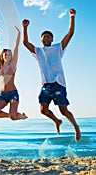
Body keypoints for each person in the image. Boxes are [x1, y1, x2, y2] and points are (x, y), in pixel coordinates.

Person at [22, 9, 80, 140]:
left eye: (48, 36)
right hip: (46, 85)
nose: (45, 38)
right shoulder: (38, 51)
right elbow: (25, 43)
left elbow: (70, 34)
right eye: (44, 37)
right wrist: (25, 28)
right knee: (43, 110)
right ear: (41, 40)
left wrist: (72, 16)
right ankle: (56, 121)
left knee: (63, 110)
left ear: (52, 39)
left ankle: (76, 127)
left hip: (58, 83)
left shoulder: (58, 48)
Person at [0, 26, 28, 120]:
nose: (7, 56)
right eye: (5, 55)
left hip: (13, 93)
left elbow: (16, 49)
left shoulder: (13, 66)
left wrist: (19, 35)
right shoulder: (0, 66)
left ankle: (17, 115)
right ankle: (16, 114)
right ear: (2, 56)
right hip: (3, 94)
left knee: (13, 117)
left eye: (9, 55)